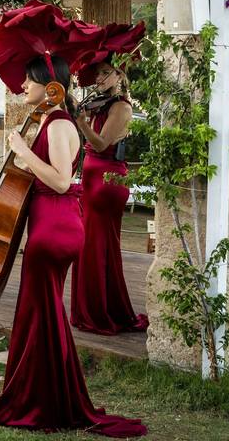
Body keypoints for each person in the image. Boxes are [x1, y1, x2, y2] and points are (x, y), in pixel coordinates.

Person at [0, 55, 146, 437]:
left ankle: (44, 400)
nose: (22, 88)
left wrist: (22, 151)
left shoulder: (58, 124)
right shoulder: (53, 121)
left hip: (54, 226)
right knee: (43, 313)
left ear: (48, 86)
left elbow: (57, 180)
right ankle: (43, 392)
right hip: (55, 221)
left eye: (27, 82)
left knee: (42, 313)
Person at [72, 61, 149, 335]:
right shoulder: (101, 104)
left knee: (98, 247)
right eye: (98, 73)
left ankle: (101, 312)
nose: (100, 78)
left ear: (120, 74)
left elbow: (101, 143)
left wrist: (82, 124)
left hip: (108, 181)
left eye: (106, 72)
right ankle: (92, 309)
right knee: (90, 245)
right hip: (94, 180)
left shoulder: (121, 106)